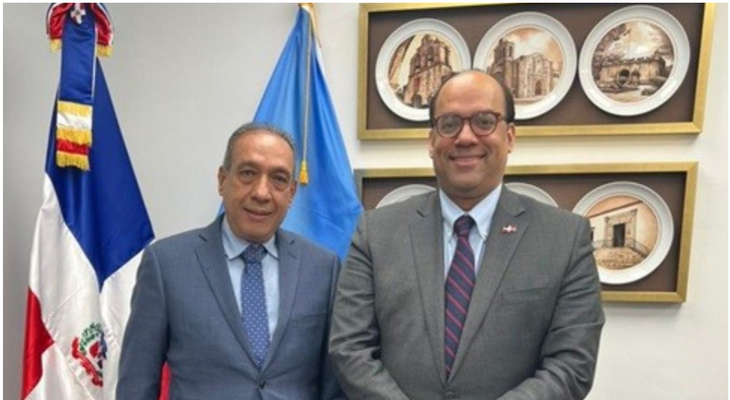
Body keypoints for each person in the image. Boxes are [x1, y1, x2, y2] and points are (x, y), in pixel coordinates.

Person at [329, 70, 605, 400]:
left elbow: (571, 365)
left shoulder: (565, 239)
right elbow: (350, 348)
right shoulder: (375, 232)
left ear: (510, 136)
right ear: (431, 141)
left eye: (484, 121)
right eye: (449, 124)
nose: (465, 137)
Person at [118, 123, 344, 400]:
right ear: (222, 180)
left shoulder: (323, 268)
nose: (262, 193)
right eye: (248, 173)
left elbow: (335, 386)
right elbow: (136, 385)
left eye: (278, 179)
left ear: (292, 193)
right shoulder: (166, 264)